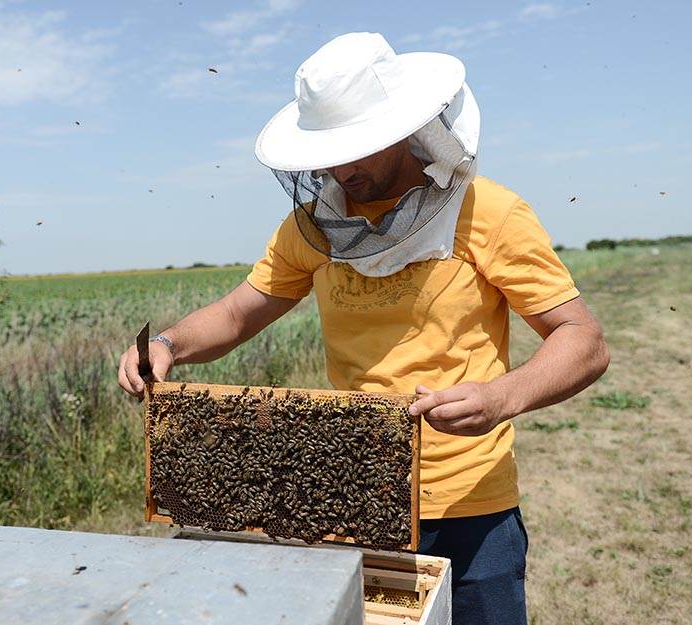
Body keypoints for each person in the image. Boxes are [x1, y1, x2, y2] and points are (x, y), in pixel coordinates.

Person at [118, 32, 609, 625]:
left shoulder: (489, 213)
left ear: (402, 130)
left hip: (468, 502)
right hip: (355, 498)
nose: (341, 168)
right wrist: (168, 344)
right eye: (329, 151)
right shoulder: (311, 229)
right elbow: (237, 313)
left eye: (358, 149)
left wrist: (501, 397)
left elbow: (583, 340)